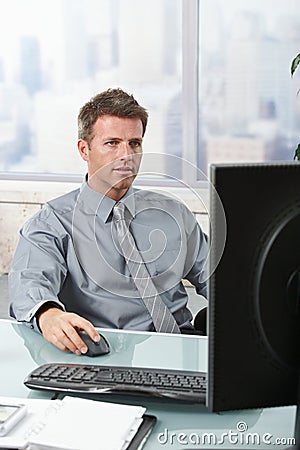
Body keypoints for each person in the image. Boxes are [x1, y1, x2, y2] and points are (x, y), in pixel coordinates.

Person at [9, 88, 208, 355]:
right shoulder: (52, 223)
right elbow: (30, 284)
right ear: (84, 149)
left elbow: (221, 279)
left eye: (134, 143)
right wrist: (49, 315)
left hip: (184, 348)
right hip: (107, 352)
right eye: (112, 143)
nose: (126, 155)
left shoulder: (172, 213)